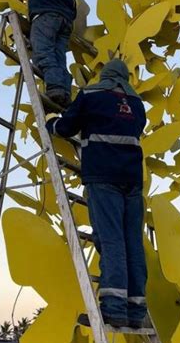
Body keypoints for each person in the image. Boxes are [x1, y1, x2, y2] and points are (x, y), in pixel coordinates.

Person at [46, 59, 148, 328]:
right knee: (132, 244)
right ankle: (136, 312)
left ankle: (113, 308)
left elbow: (66, 128)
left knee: (111, 240)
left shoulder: (92, 94)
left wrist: (52, 124)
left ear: (105, 75)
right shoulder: (137, 104)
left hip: (103, 176)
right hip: (133, 181)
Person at [7, 0, 77, 108]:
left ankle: (54, 88)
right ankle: (64, 92)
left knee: (43, 52)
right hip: (66, 21)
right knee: (59, 57)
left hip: (46, 16)